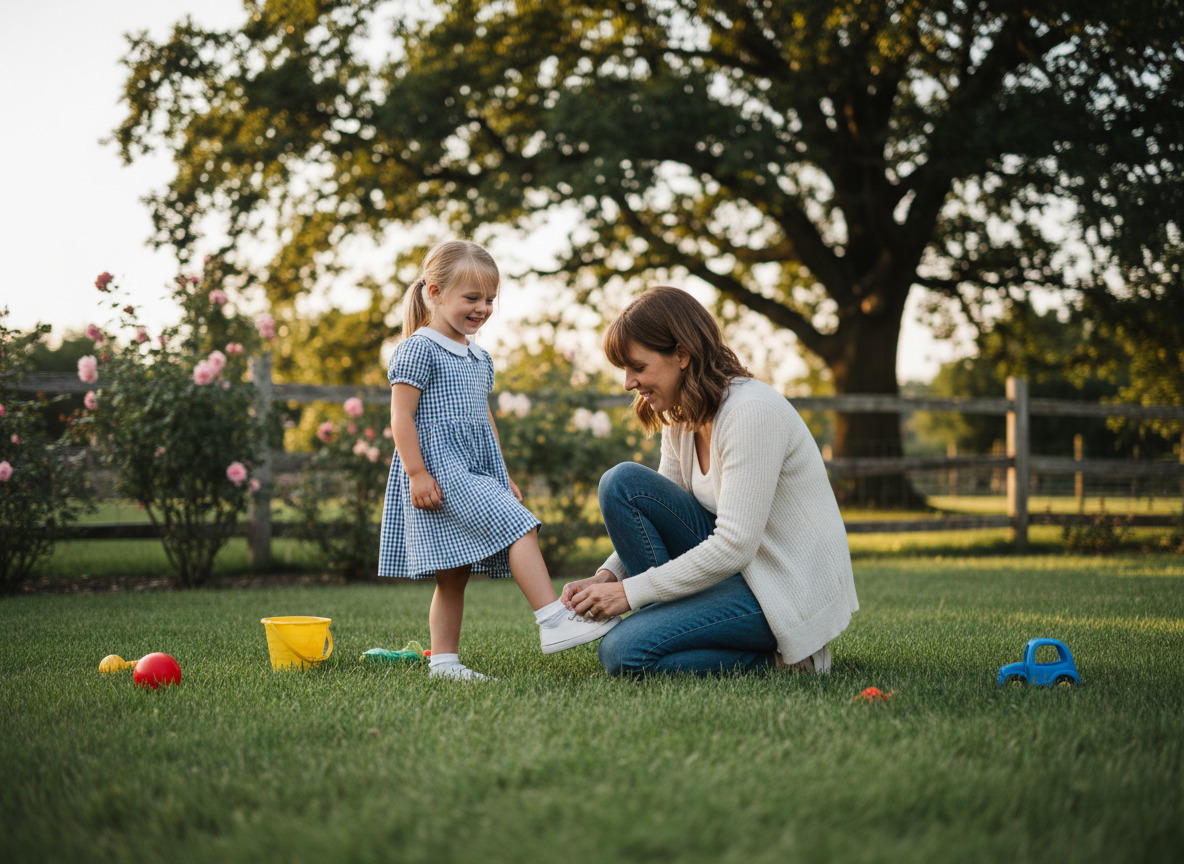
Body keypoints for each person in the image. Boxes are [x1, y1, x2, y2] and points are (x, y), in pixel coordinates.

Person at [561, 286, 858, 677]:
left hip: (782, 588)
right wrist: (609, 576)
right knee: (622, 484)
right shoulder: (684, 415)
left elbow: (735, 545)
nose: (629, 383)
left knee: (623, 653)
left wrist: (630, 594)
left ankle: (791, 660)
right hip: (740, 576)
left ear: (682, 354)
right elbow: (656, 510)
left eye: (637, 367)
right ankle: (669, 625)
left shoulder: (751, 413)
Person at [378, 240, 619, 680]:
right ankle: (551, 620)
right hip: (440, 471)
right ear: (433, 292)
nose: (483, 308)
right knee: (517, 527)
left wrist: (501, 474)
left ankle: (445, 663)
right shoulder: (418, 349)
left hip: (475, 470)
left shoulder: (478, 357)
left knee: (456, 573)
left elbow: (484, 421)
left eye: (490, 299)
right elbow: (401, 415)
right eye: (471, 298)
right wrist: (417, 473)